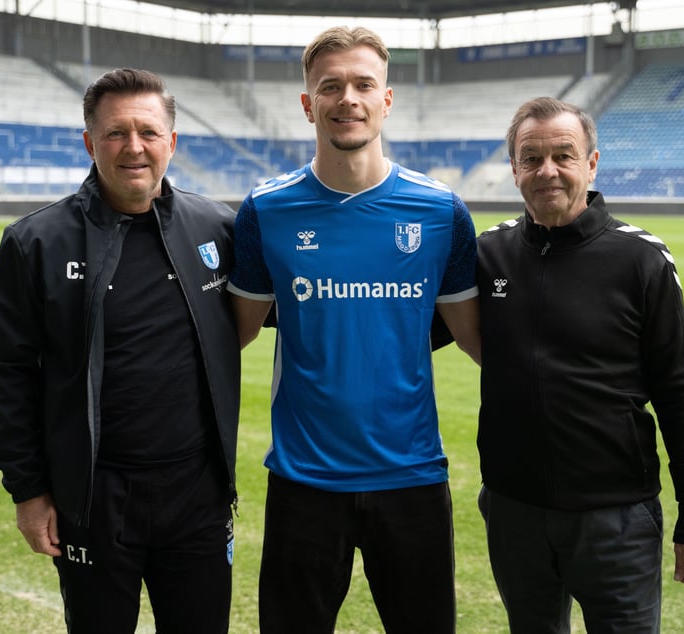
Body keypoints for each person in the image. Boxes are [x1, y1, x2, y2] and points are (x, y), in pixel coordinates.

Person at [227, 26, 481, 634]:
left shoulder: (441, 213)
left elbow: (482, 342)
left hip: (413, 478)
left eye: (364, 84)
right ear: (308, 103)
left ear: (386, 99)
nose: (349, 99)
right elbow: (230, 338)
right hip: (304, 482)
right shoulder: (266, 211)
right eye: (331, 86)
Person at [0, 68, 240, 633]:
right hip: (93, 500)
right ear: (89, 142)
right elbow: (7, 372)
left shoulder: (219, 227)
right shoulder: (35, 242)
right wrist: (29, 491)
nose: (134, 147)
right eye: (116, 133)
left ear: (172, 142)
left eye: (148, 131)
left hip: (198, 496)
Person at [474, 96, 684, 632]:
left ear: (592, 163)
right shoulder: (487, 253)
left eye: (564, 155)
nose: (548, 171)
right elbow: (410, 330)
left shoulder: (642, 258)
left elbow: (680, 394)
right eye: (531, 158)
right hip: (514, 514)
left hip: (617, 521)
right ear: (514, 168)